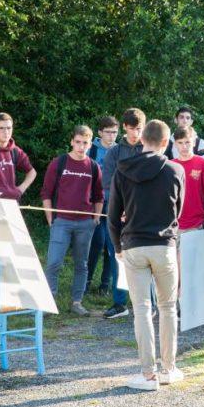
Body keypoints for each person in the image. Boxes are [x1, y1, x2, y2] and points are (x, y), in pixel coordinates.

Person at [108, 119, 185, 391]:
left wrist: (118, 245)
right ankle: (169, 368)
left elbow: (113, 214)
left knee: (141, 310)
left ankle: (147, 374)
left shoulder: (122, 169)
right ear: (166, 143)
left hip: (133, 245)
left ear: (142, 140)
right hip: (163, 244)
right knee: (167, 308)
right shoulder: (176, 170)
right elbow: (178, 213)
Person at [41, 125, 103, 316]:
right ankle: (49, 301)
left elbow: (99, 196)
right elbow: (46, 192)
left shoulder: (93, 166)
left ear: (90, 143)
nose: (81, 146)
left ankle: (77, 302)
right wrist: (50, 217)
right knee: (53, 262)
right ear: (71, 141)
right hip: (62, 222)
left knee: (81, 264)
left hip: (85, 223)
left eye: (85, 142)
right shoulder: (59, 163)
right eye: (78, 142)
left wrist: (96, 218)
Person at [101, 107, 146, 319]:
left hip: (144, 215)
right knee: (117, 257)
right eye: (130, 129)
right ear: (124, 128)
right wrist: (122, 208)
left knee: (145, 259)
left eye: (138, 129)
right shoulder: (114, 153)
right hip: (119, 215)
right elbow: (108, 184)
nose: (135, 133)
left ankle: (146, 304)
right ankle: (120, 303)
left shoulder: (149, 150)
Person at [86, 116, 119, 296]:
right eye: (108, 132)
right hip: (95, 203)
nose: (111, 135)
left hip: (115, 204)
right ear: (100, 132)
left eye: (115, 132)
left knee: (111, 245)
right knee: (97, 242)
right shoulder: (90, 149)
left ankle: (105, 283)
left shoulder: (120, 151)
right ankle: (87, 279)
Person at [172, 126, 204, 235]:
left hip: (196, 224)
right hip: (172, 225)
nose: (184, 146)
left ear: (194, 142)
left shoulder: (203, 164)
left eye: (187, 142)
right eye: (180, 142)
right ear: (175, 144)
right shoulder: (170, 165)